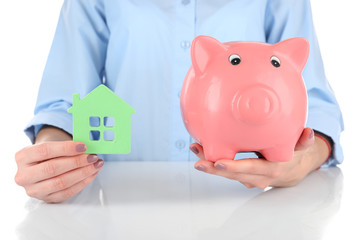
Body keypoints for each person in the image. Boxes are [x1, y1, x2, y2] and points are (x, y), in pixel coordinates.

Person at [14, 0, 344, 203]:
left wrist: (303, 159)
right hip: (127, 204)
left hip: (249, 205)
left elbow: (314, 104)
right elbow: (64, 107)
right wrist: (53, 156)